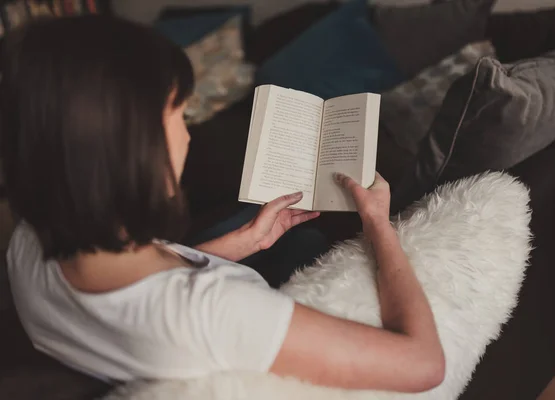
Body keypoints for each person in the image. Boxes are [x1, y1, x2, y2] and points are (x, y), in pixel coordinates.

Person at [1, 16, 444, 392]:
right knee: (318, 245)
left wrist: (242, 244)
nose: (187, 134)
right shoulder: (214, 311)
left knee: (300, 233)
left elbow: (138, 292)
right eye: (179, 115)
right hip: (223, 331)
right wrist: (377, 223)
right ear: (133, 149)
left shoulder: (27, 241)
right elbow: (424, 365)